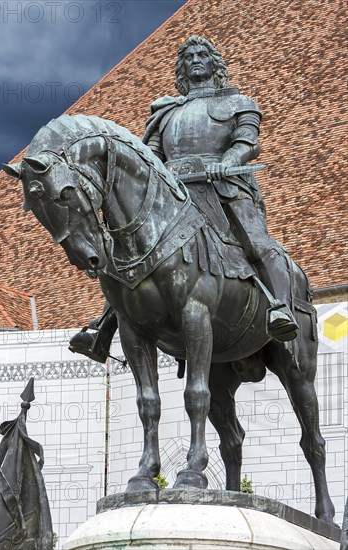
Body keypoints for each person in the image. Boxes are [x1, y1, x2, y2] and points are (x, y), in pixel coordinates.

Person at [69, 35, 297, 363]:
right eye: (188, 56)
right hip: (176, 195)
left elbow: (248, 143)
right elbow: (151, 158)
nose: (194, 59)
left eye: (202, 54)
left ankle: (281, 311)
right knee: (131, 254)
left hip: (223, 189)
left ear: (215, 62)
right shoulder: (166, 112)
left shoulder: (239, 103)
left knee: (260, 245)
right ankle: (102, 329)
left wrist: (227, 164)